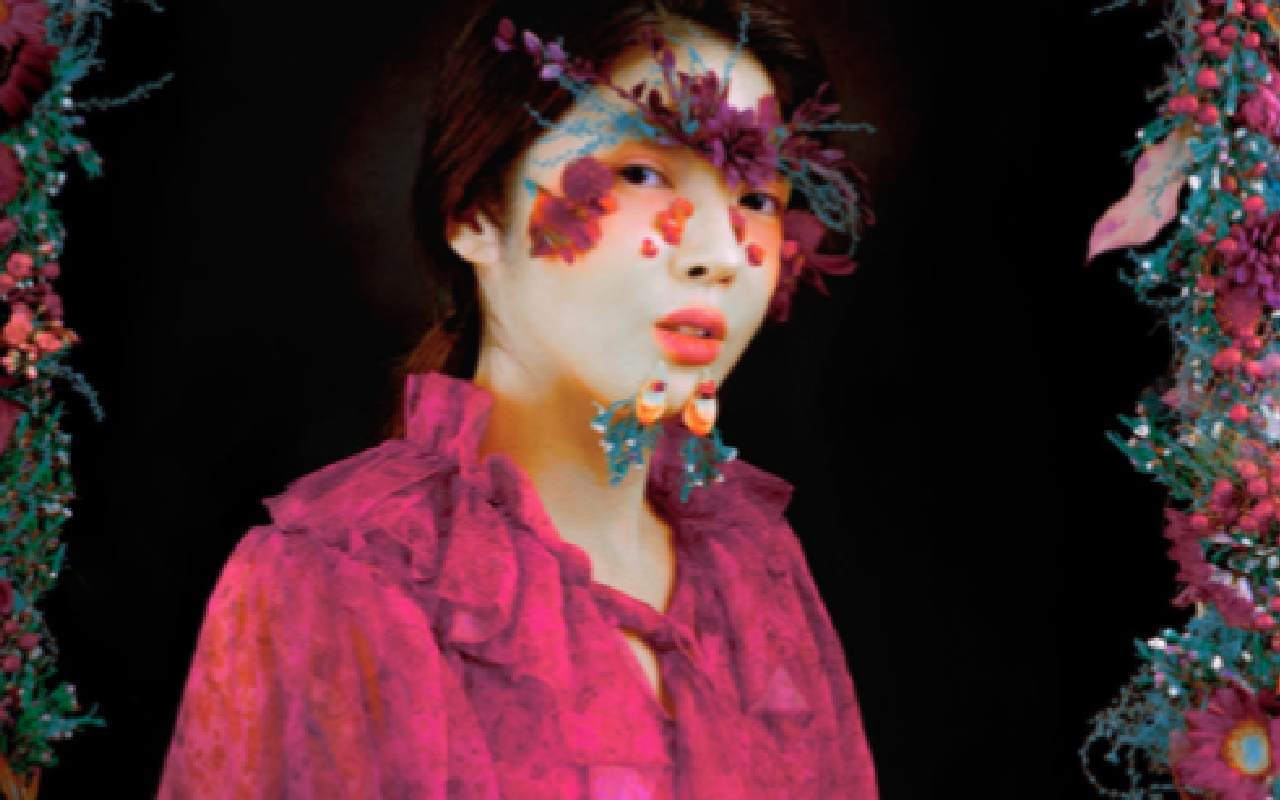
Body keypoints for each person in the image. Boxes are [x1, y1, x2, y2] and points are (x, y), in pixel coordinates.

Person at [156, 0, 879, 796]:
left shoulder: (754, 569)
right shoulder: (334, 577)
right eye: (641, 172)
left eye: (758, 199)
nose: (720, 254)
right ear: (475, 213)